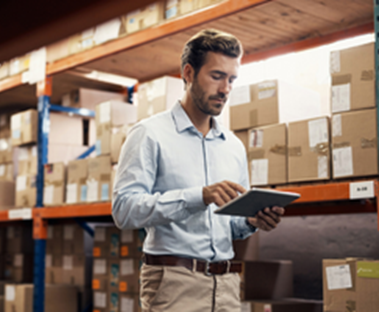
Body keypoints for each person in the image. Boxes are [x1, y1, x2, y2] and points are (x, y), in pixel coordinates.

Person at [111, 29, 285, 312]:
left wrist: (253, 221)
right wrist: (199, 196)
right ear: (189, 73)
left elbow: (232, 226)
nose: (225, 89)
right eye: (217, 76)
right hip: (173, 284)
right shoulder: (149, 134)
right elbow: (124, 210)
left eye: (232, 79)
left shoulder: (233, 146)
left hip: (227, 285)